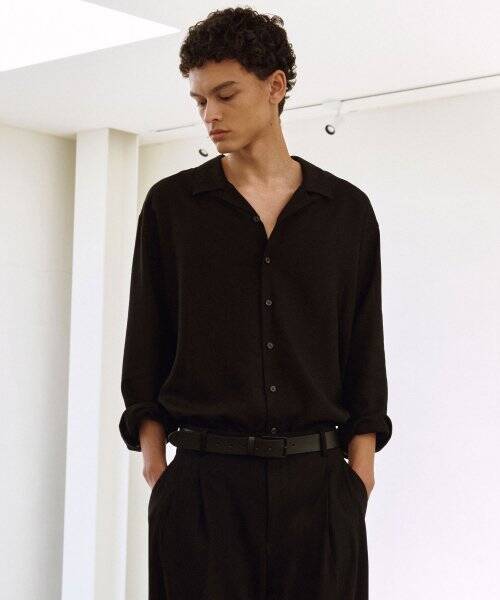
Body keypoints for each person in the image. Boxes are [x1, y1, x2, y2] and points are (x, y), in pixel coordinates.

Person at [119, 7, 392, 600]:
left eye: (225, 95)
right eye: (199, 101)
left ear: (275, 87)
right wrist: (156, 465)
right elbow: (146, 340)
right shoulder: (172, 208)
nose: (209, 115)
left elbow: (364, 346)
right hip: (203, 489)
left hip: (320, 490)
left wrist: (360, 473)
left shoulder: (345, 212)